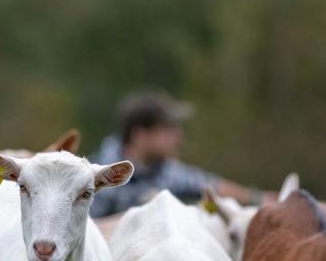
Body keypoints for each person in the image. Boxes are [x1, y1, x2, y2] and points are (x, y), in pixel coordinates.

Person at [90, 89, 266, 218]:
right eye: (167, 128)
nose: (178, 136)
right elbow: (85, 232)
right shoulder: (98, 179)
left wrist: (258, 200)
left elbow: (211, 186)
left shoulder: (163, 169)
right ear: (140, 135)